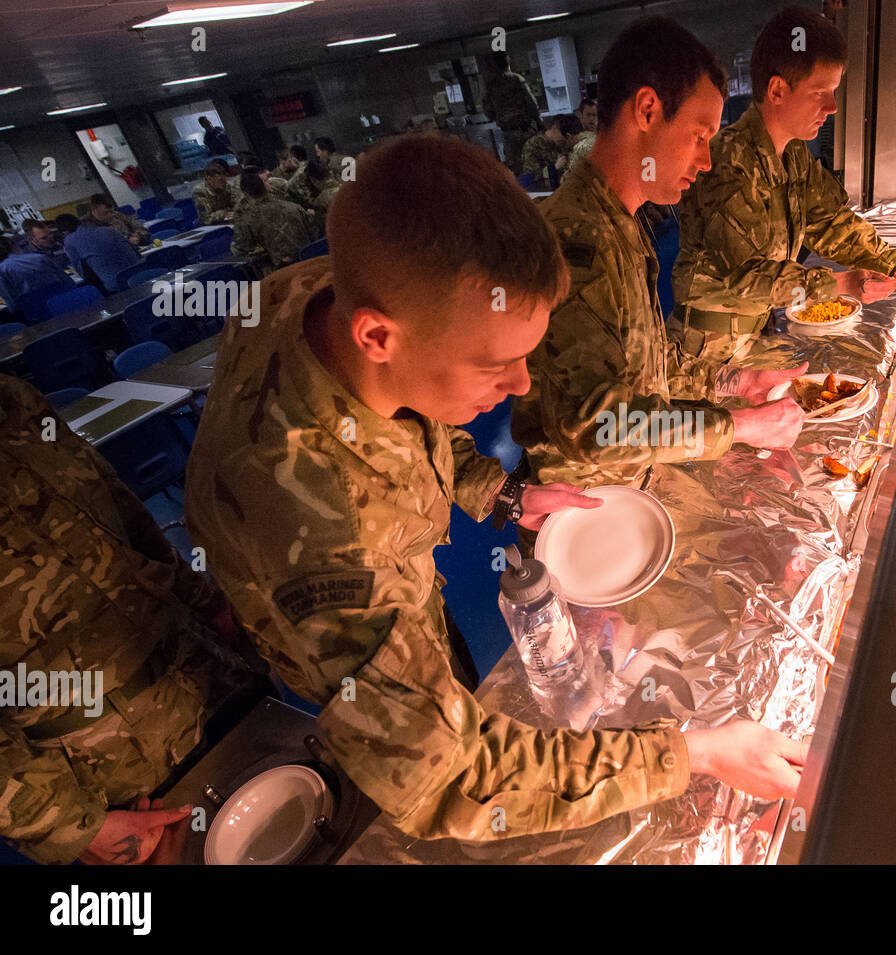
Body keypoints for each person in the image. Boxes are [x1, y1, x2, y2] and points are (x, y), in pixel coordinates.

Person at [184, 133, 806, 845]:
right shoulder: (334, 541)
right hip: (316, 618)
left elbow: (400, 409)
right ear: (378, 335)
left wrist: (507, 495)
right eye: (494, 366)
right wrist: (694, 753)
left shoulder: (305, 292)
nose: (522, 387)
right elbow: (448, 773)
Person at [511, 17, 807, 492]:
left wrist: (735, 383)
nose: (706, 160)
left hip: (623, 490)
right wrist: (739, 429)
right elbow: (596, 425)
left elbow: (643, 368)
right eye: (699, 135)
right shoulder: (577, 240)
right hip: (583, 514)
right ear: (647, 110)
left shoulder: (618, 220)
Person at [0, 374, 266, 864]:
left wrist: (210, 605)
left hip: (206, 673)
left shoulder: (11, 401)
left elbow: (121, 509)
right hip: (110, 766)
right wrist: (66, 824)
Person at [672, 7, 896, 365]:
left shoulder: (794, 155)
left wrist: (893, 264)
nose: (831, 107)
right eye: (820, 93)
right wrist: (839, 285)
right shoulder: (728, 162)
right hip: (704, 353)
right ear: (778, 90)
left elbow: (829, 223)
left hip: (754, 336)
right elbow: (748, 275)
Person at [231, 168, 317, 271]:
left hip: (285, 269)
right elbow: (313, 231)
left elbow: (239, 249)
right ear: (266, 187)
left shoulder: (248, 219)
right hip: (311, 259)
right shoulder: (293, 207)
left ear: (246, 193)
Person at [482, 52, 542, 174]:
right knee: (534, 165)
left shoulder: (490, 86)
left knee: (516, 170)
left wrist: (500, 116)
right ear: (508, 63)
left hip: (507, 134)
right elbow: (531, 103)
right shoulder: (517, 79)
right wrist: (538, 121)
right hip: (524, 130)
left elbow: (487, 111)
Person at [59, 214, 140, 291]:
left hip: (117, 286)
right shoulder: (108, 230)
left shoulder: (69, 241)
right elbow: (135, 251)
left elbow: (81, 272)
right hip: (141, 273)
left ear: (64, 232)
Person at [0, 234, 75, 312]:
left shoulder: (2, 270)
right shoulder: (39, 257)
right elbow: (67, 280)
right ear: (14, 247)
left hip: (36, 312)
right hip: (64, 301)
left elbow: (12, 304)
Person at [521, 113, 583, 189]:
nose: (564, 140)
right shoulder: (533, 146)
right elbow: (530, 178)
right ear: (554, 129)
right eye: (563, 135)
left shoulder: (562, 144)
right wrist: (554, 168)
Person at [83, 193, 151, 246]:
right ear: (94, 208)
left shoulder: (117, 215)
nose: (110, 215)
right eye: (106, 212)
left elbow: (142, 229)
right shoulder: (86, 227)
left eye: (112, 211)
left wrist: (137, 236)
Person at [191, 160, 241, 225]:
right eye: (220, 180)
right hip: (210, 227)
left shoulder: (225, 186)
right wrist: (225, 212)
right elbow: (206, 219)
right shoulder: (200, 191)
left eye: (225, 179)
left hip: (226, 222)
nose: (225, 182)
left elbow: (235, 203)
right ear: (210, 179)